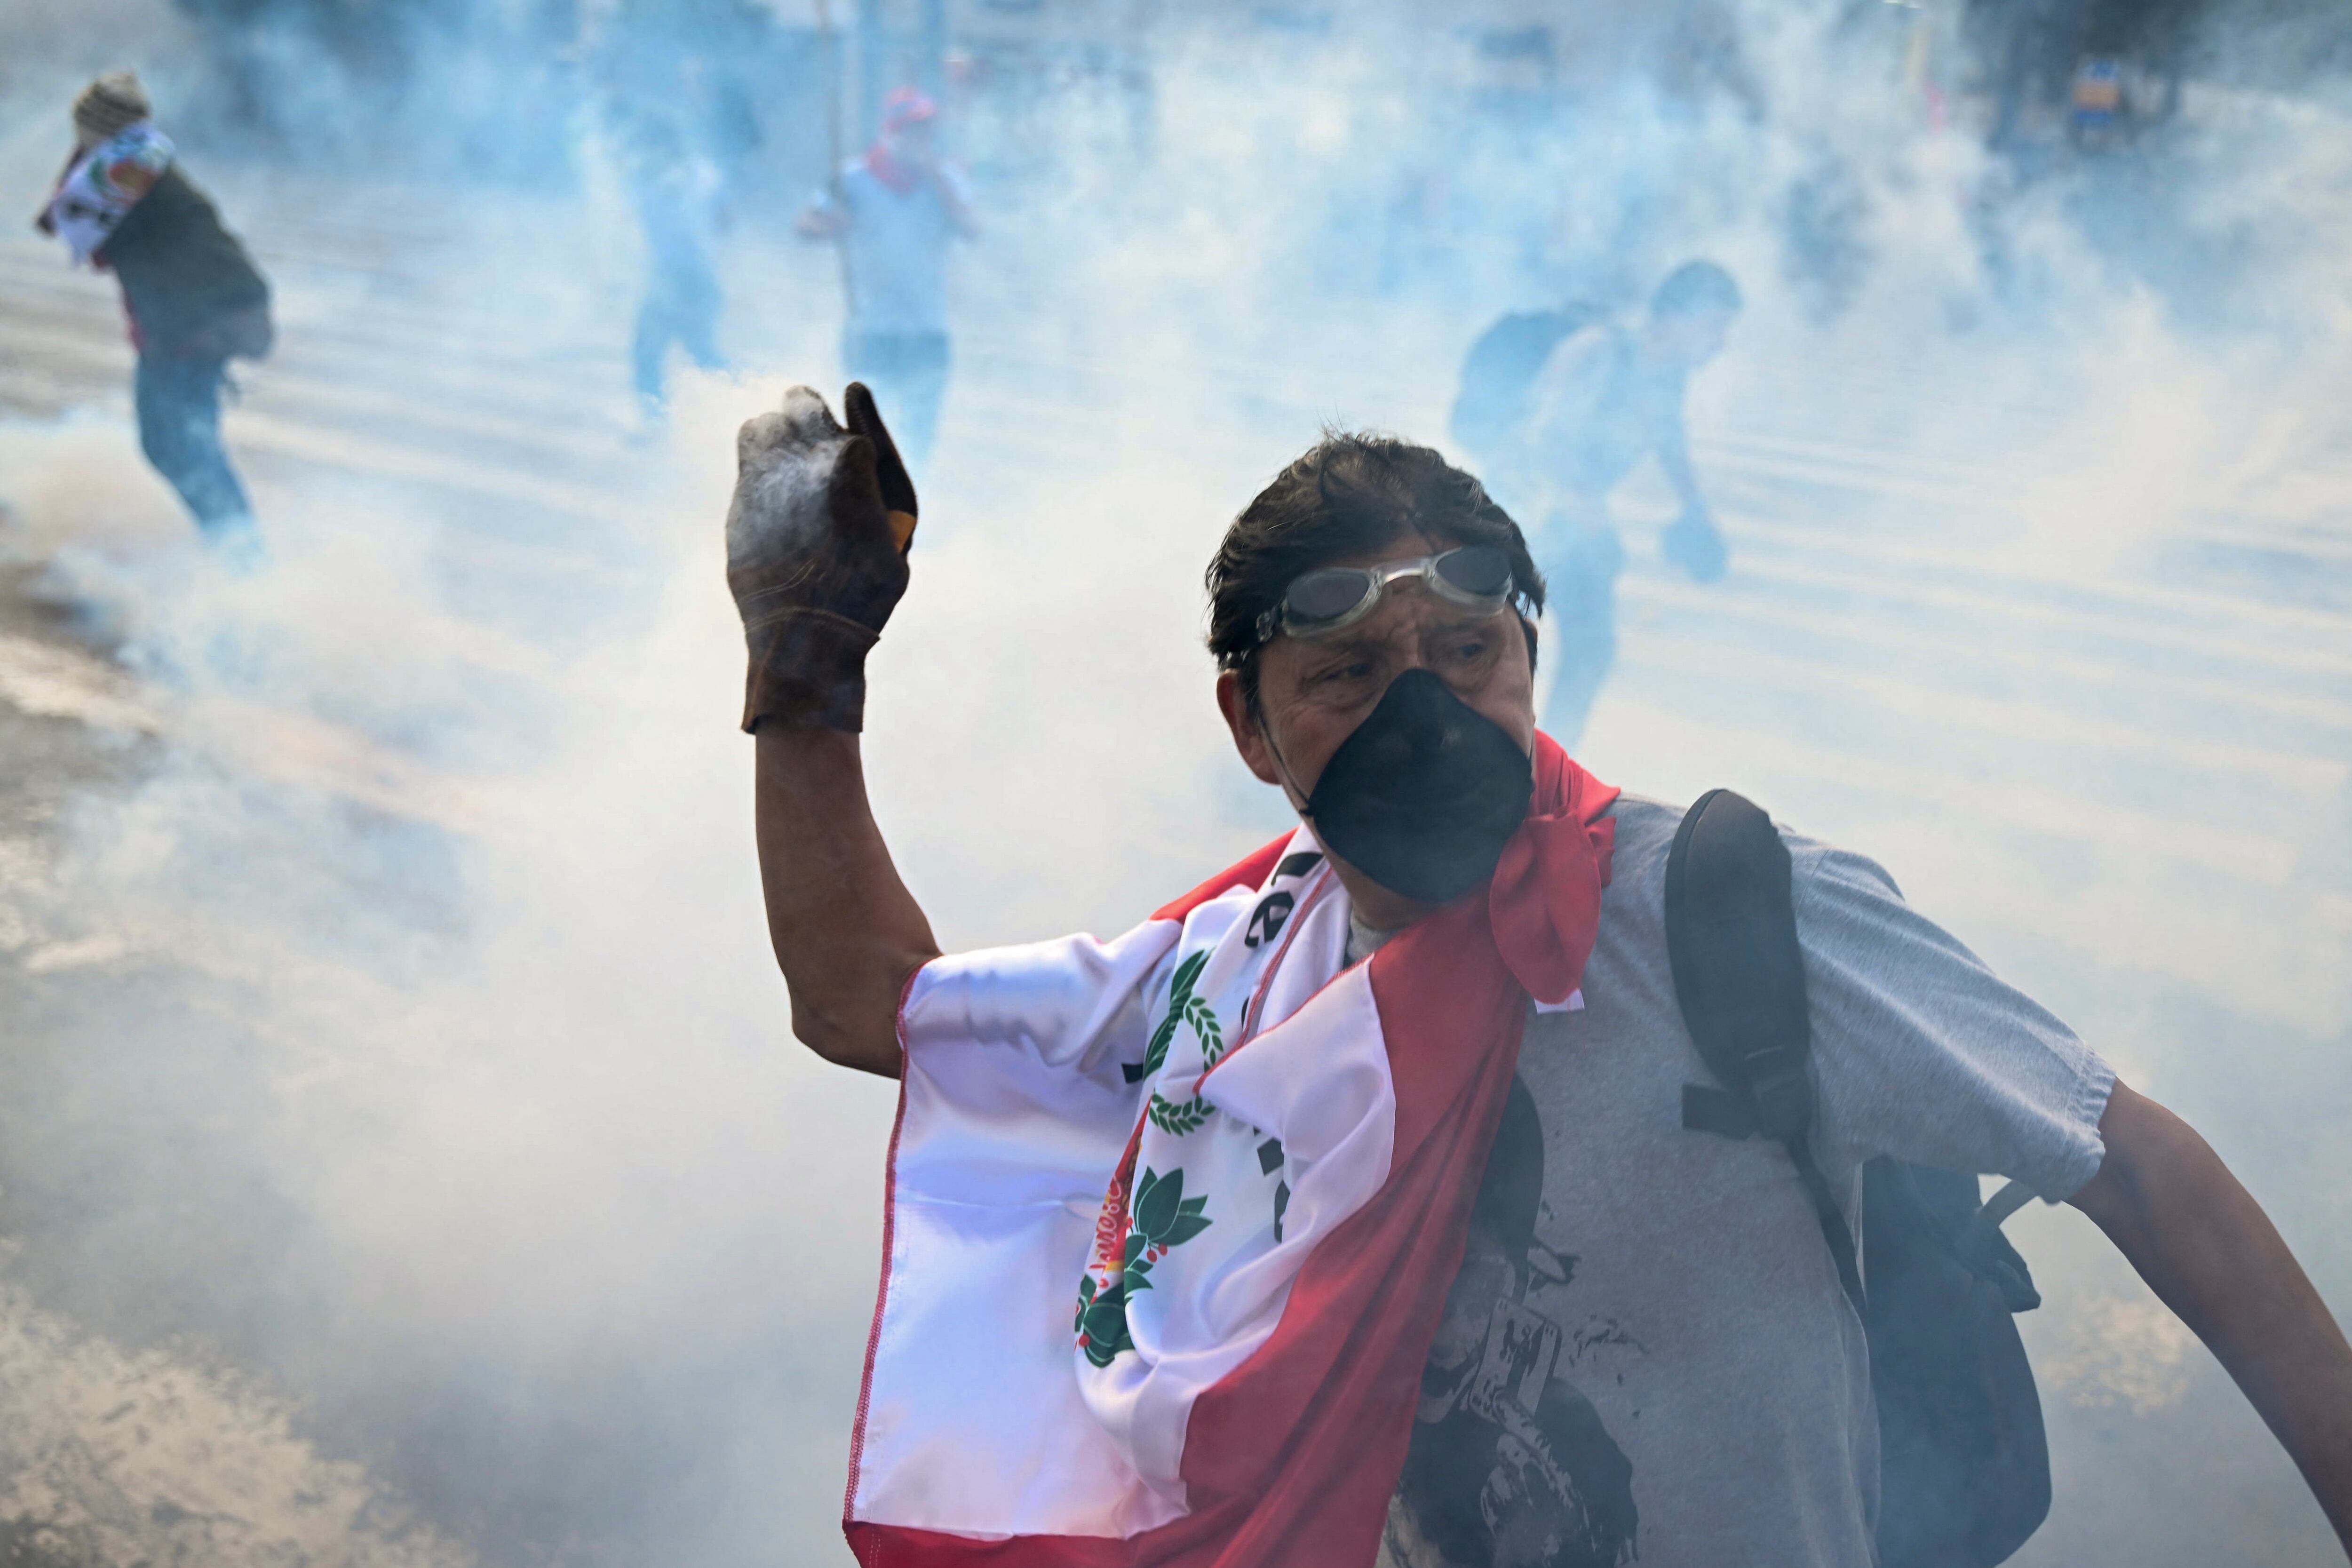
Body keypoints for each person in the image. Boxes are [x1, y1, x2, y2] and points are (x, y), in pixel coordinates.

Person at [723, 386, 2352, 1568]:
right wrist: (807, 673)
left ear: (1530, 660)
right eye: (1351, 672)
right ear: (1251, 725)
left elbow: (2131, 1153)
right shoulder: (1236, 979)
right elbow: (869, 1000)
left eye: (1469, 657)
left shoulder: (1725, 903)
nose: (1424, 709)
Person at [1504, 260, 1740, 748]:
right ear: (1678, 316)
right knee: (1496, 649)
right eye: (1715, 325)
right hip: (1521, 520)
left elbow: (1668, 438)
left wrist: (1694, 506)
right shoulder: (1600, 351)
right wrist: (1579, 506)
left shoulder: (1668, 374)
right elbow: (1534, 435)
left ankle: (1547, 767)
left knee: (1591, 650)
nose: (1720, 343)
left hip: (1575, 528)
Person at [34, 72, 272, 554]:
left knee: (183, 450)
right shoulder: (139, 160)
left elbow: (71, 219)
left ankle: (244, 560)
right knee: (180, 447)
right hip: (193, 323)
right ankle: (239, 555)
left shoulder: (129, 168)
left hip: (194, 328)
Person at [795, 88, 975, 470]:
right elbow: (806, 224)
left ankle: (910, 512)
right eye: (914, 131)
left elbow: (970, 227)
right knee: (867, 434)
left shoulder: (946, 179)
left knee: (919, 435)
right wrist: (836, 225)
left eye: (927, 131)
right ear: (892, 131)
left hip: (928, 329)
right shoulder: (854, 177)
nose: (922, 141)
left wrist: (938, 180)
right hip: (871, 327)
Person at [622, 112, 729, 426]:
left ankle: (660, 421)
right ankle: (732, 406)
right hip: (701, 276)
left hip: (674, 278)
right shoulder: (706, 172)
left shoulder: (652, 175)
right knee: (700, 354)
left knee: (652, 354)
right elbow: (726, 219)